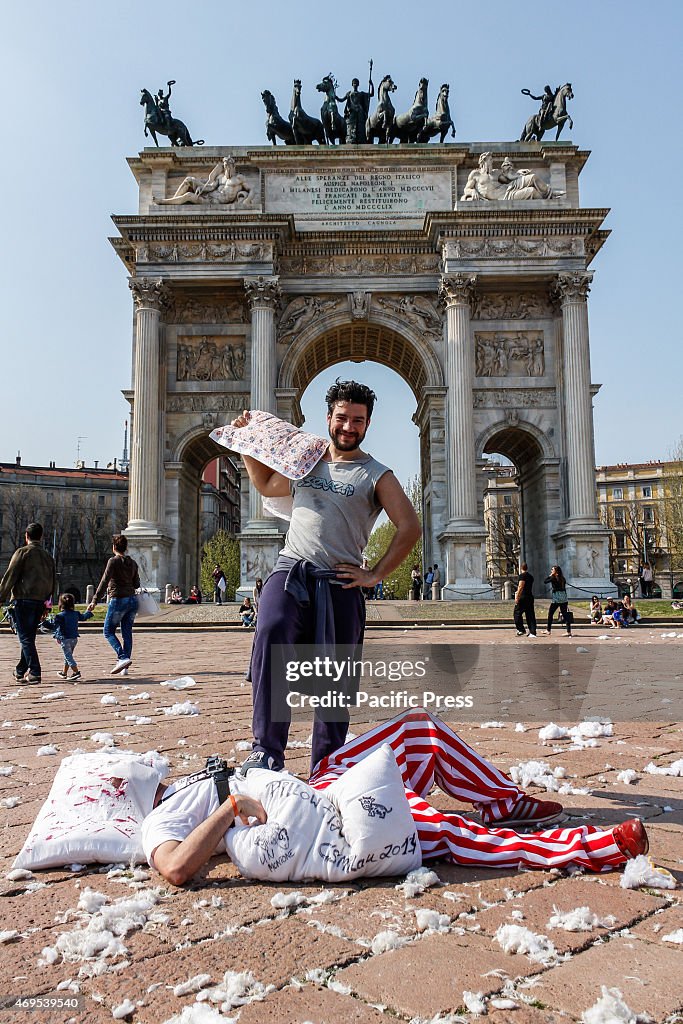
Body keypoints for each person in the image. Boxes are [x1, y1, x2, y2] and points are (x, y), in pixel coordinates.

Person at [142, 708, 648, 887]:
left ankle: (501, 800)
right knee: (444, 832)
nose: (146, 770)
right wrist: (231, 808)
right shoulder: (154, 825)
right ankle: (595, 846)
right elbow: (177, 869)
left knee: (417, 728)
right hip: (324, 821)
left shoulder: (181, 781)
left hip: (318, 778)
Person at [231, 379, 421, 774]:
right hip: (291, 568)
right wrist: (246, 443)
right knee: (271, 635)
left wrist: (375, 574)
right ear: (329, 418)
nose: (348, 426)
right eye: (342, 418)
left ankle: (328, 762)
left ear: (367, 424)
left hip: (339, 581)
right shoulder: (307, 461)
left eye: (358, 420)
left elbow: (409, 527)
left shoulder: (377, 474)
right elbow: (266, 483)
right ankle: (266, 748)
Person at [0, 522, 56, 684]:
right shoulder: (47, 556)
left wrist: (1, 597)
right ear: (41, 536)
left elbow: (10, 576)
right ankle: (19, 671)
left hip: (24, 600)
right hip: (40, 601)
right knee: (29, 637)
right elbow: (53, 582)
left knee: (25, 637)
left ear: (26, 536)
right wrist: (48, 603)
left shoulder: (22, 552)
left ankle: (35, 671)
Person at [88, 535, 140, 675]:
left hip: (119, 599)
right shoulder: (133, 563)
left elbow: (104, 581)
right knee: (127, 633)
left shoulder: (113, 561)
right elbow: (137, 584)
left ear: (113, 547)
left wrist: (94, 600)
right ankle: (125, 667)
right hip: (132, 601)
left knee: (108, 631)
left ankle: (122, 657)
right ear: (126, 548)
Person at [53, 593, 92, 680]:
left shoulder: (60, 616)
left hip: (65, 638)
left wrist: (43, 621)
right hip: (74, 639)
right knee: (68, 656)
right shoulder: (76, 614)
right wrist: (88, 611)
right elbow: (84, 617)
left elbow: (53, 626)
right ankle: (64, 672)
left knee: (68, 656)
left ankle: (76, 671)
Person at [544, 565, 572, 636]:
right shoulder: (562, 578)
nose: (551, 571)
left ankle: (548, 630)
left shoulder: (553, 578)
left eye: (552, 570)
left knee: (550, 613)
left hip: (556, 598)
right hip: (563, 597)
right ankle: (568, 631)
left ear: (555, 571)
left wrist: (550, 575)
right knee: (565, 614)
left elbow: (545, 581)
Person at [514, 561, 537, 637]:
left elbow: (521, 586)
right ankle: (532, 631)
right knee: (530, 615)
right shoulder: (531, 576)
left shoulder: (522, 576)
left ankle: (521, 629)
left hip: (523, 597)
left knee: (517, 613)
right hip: (530, 597)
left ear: (521, 568)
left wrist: (517, 596)